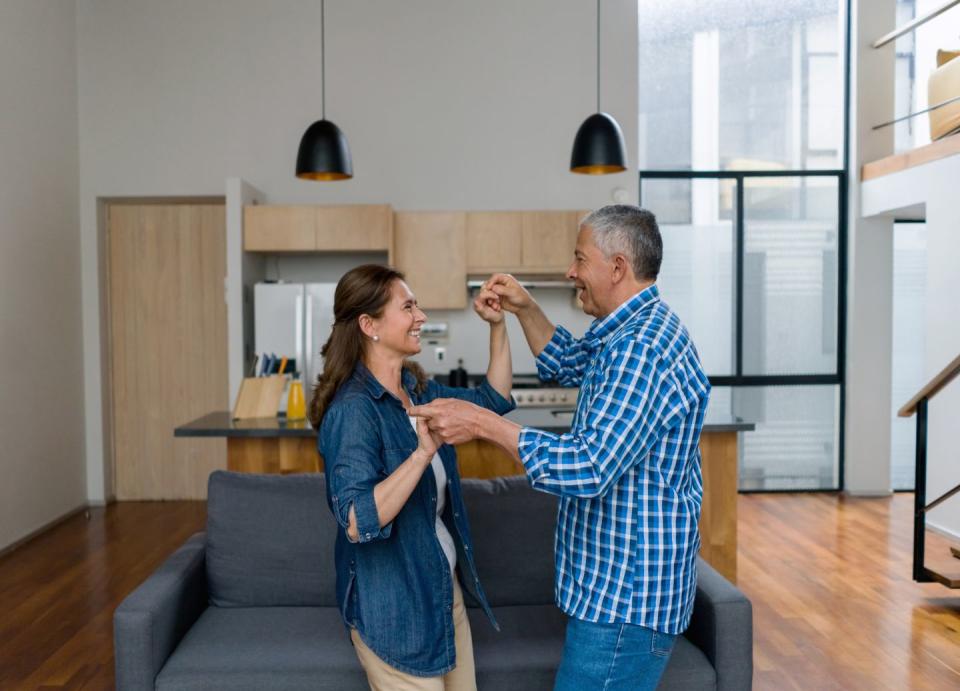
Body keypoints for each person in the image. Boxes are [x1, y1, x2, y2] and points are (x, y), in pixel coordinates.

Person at [409, 205, 710, 691]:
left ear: (617, 268)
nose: (571, 272)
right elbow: (568, 360)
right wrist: (525, 307)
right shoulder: (626, 331)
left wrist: (482, 422)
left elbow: (588, 467)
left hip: (624, 603)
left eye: (579, 259)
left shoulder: (642, 349)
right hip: (614, 596)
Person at [311, 264, 514, 690]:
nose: (421, 316)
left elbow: (490, 402)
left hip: (441, 592)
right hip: (395, 609)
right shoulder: (353, 411)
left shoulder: (418, 391)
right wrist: (422, 454)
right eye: (408, 307)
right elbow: (356, 519)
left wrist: (498, 327)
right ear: (369, 325)